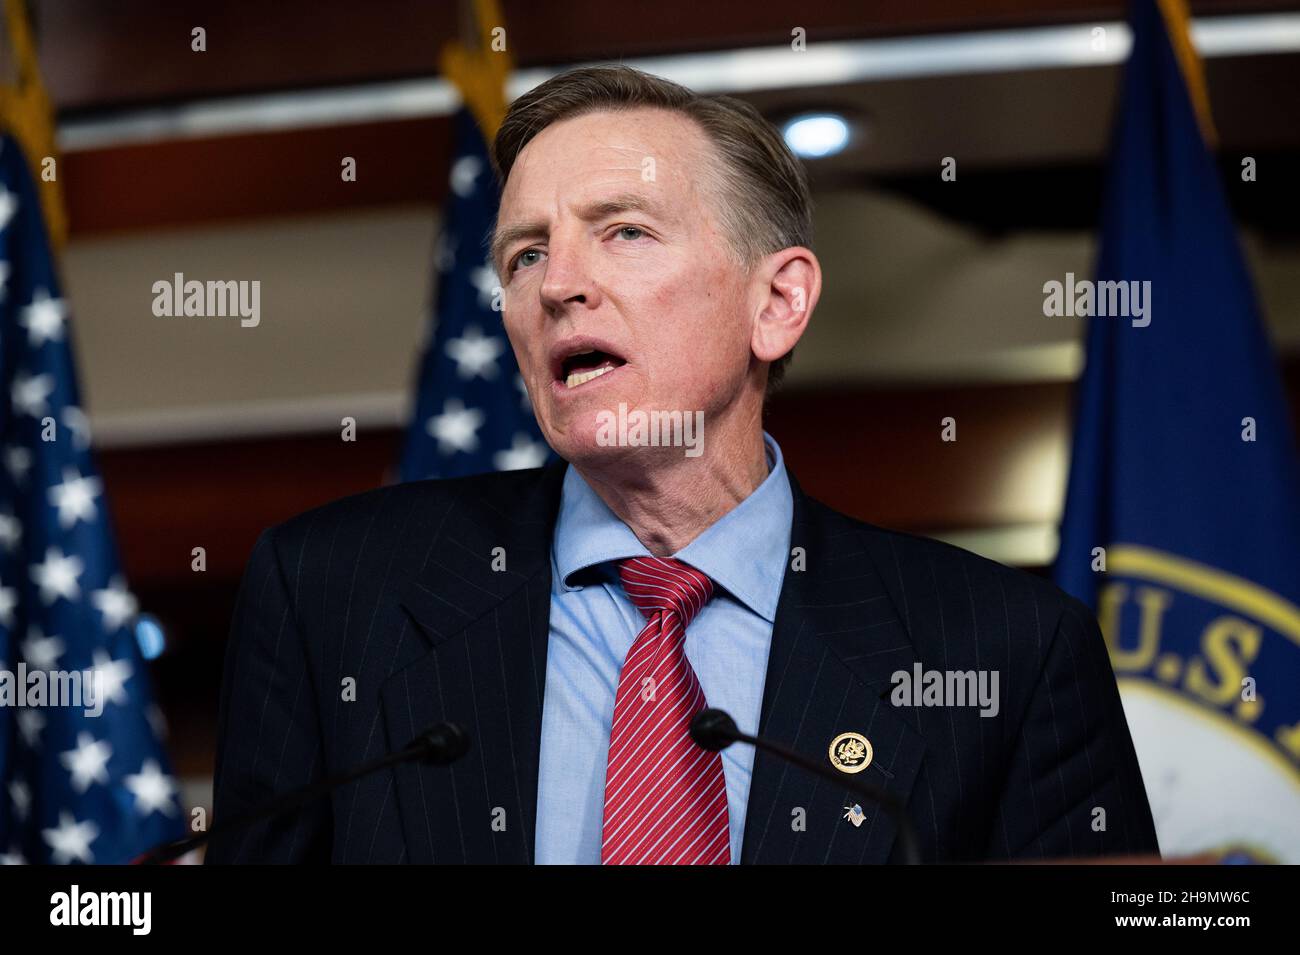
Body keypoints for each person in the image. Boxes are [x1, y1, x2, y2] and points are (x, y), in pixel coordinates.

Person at [207, 65, 1158, 865]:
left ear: (777, 301)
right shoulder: (334, 595)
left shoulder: (1004, 650)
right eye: (525, 254)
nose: (560, 285)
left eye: (624, 230)